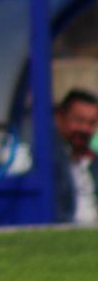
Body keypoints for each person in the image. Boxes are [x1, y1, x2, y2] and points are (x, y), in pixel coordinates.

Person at [54, 89, 98, 224]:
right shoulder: (50, 160)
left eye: (91, 123)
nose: (85, 129)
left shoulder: (91, 162)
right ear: (60, 118)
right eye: (79, 120)